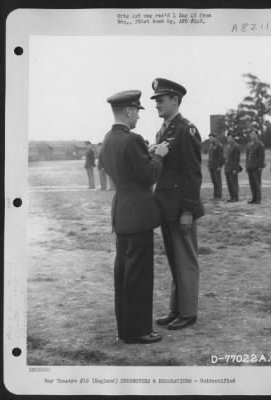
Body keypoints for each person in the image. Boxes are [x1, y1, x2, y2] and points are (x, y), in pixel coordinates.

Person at [100, 90, 169, 344]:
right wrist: (158, 156)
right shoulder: (133, 140)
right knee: (139, 276)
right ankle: (139, 331)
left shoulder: (108, 139)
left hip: (121, 213)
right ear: (128, 111)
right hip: (139, 215)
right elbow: (148, 176)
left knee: (124, 275)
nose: (138, 117)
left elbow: (121, 168)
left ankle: (125, 330)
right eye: (137, 112)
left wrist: (146, 153)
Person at [150, 78, 204, 330]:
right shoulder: (164, 130)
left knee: (185, 260)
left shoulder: (187, 129)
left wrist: (187, 211)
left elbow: (193, 174)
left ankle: (188, 313)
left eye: (161, 99)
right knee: (175, 260)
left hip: (180, 209)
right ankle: (176, 309)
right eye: (156, 100)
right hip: (166, 207)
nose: (157, 104)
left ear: (175, 99)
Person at [245, 128, 265, 204]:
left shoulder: (260, 144)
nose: (251, 135)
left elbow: (261, 156)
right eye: (251, 134)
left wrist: (260, 166)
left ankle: (258, 198)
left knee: (257, 183)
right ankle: (254, 197)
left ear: (257, 135)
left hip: (256, 166)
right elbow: (247, 156)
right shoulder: (249, 144)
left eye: (253, 134)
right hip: (250, 166)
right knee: (252, 183)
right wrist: (247, 166)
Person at [224, 132, 241, 202]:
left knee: (234, 183)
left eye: (229, 137)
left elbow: (236, 159)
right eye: (227, 137)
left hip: (233, 168)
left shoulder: (236, 146)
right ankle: (231, 196)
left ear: (233, 138)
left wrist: (235, 168)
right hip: (227, 167)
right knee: (229, 183)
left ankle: (235, 197)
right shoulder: (228, 146)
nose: (228, 139)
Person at [207, 133, 224, 201]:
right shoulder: (211, 146)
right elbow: (210, 156)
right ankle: (215, 196)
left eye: (211, 138)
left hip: (216, 166)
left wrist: (220, 165)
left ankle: (219, 196)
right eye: (209, 138)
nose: (210, 139)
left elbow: (221, 157)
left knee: (218, 182)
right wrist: (208, 165)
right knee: (214, 182)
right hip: (212, 166)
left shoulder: (219, 145)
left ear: (214, 137)